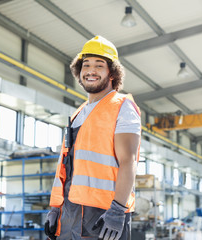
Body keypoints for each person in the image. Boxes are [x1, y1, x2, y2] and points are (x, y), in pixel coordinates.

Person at [44, 35, 141, 240]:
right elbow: (68, 167)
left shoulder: (122, 106)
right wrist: (56, 209)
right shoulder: (78, 114)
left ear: (112, 73)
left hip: (104, 216)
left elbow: (128, 162)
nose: (91, 70)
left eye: (99, 65)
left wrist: (117, 210)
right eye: (86, 65)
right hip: (71, 214)